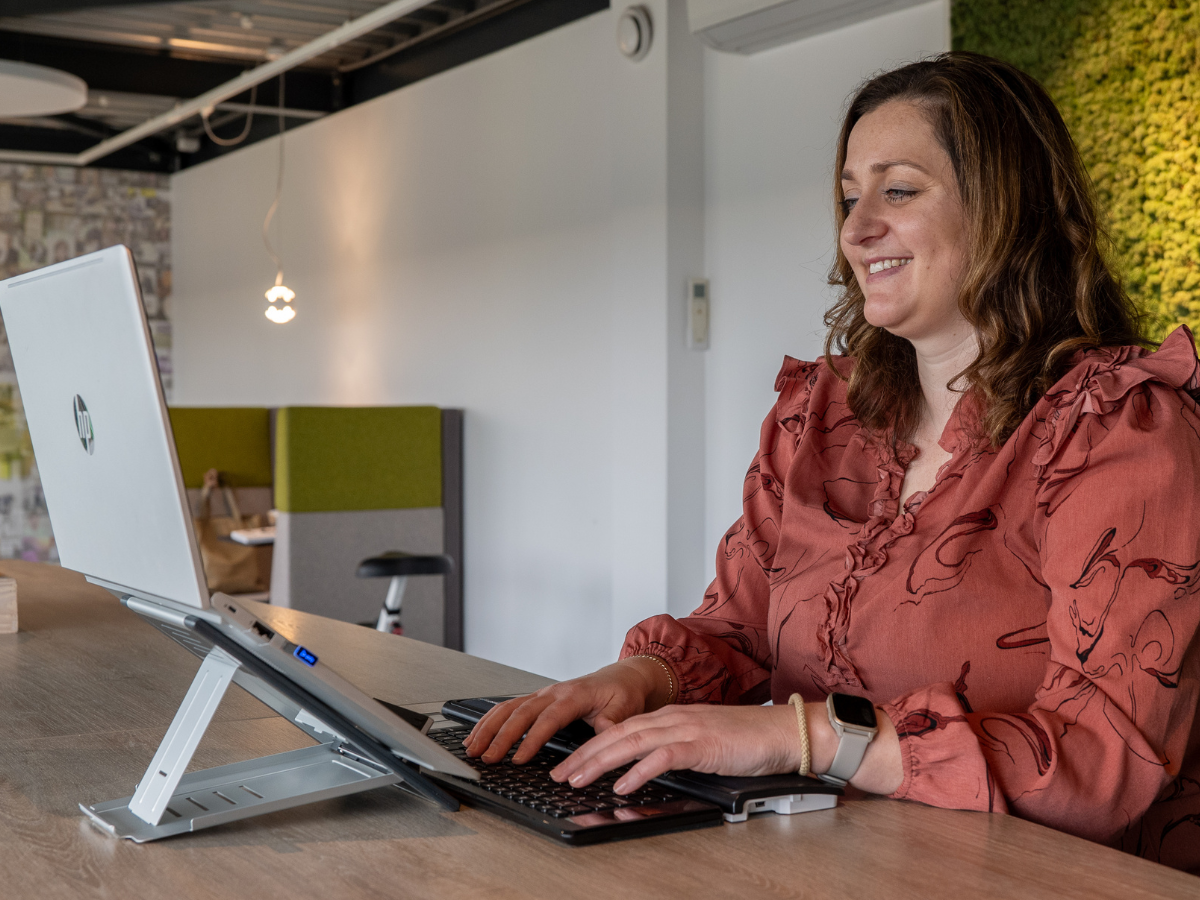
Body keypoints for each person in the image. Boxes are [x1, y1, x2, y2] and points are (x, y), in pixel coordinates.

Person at [466, 53, 1200, 874]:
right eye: (850, 197)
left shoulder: (1121, 429)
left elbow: (1103, 766)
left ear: (1006, 207)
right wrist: (641, 679)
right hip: (820, 863)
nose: (855, 230)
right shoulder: (816, 417)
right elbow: (740, 632)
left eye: (899, 190)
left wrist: (805, 734)